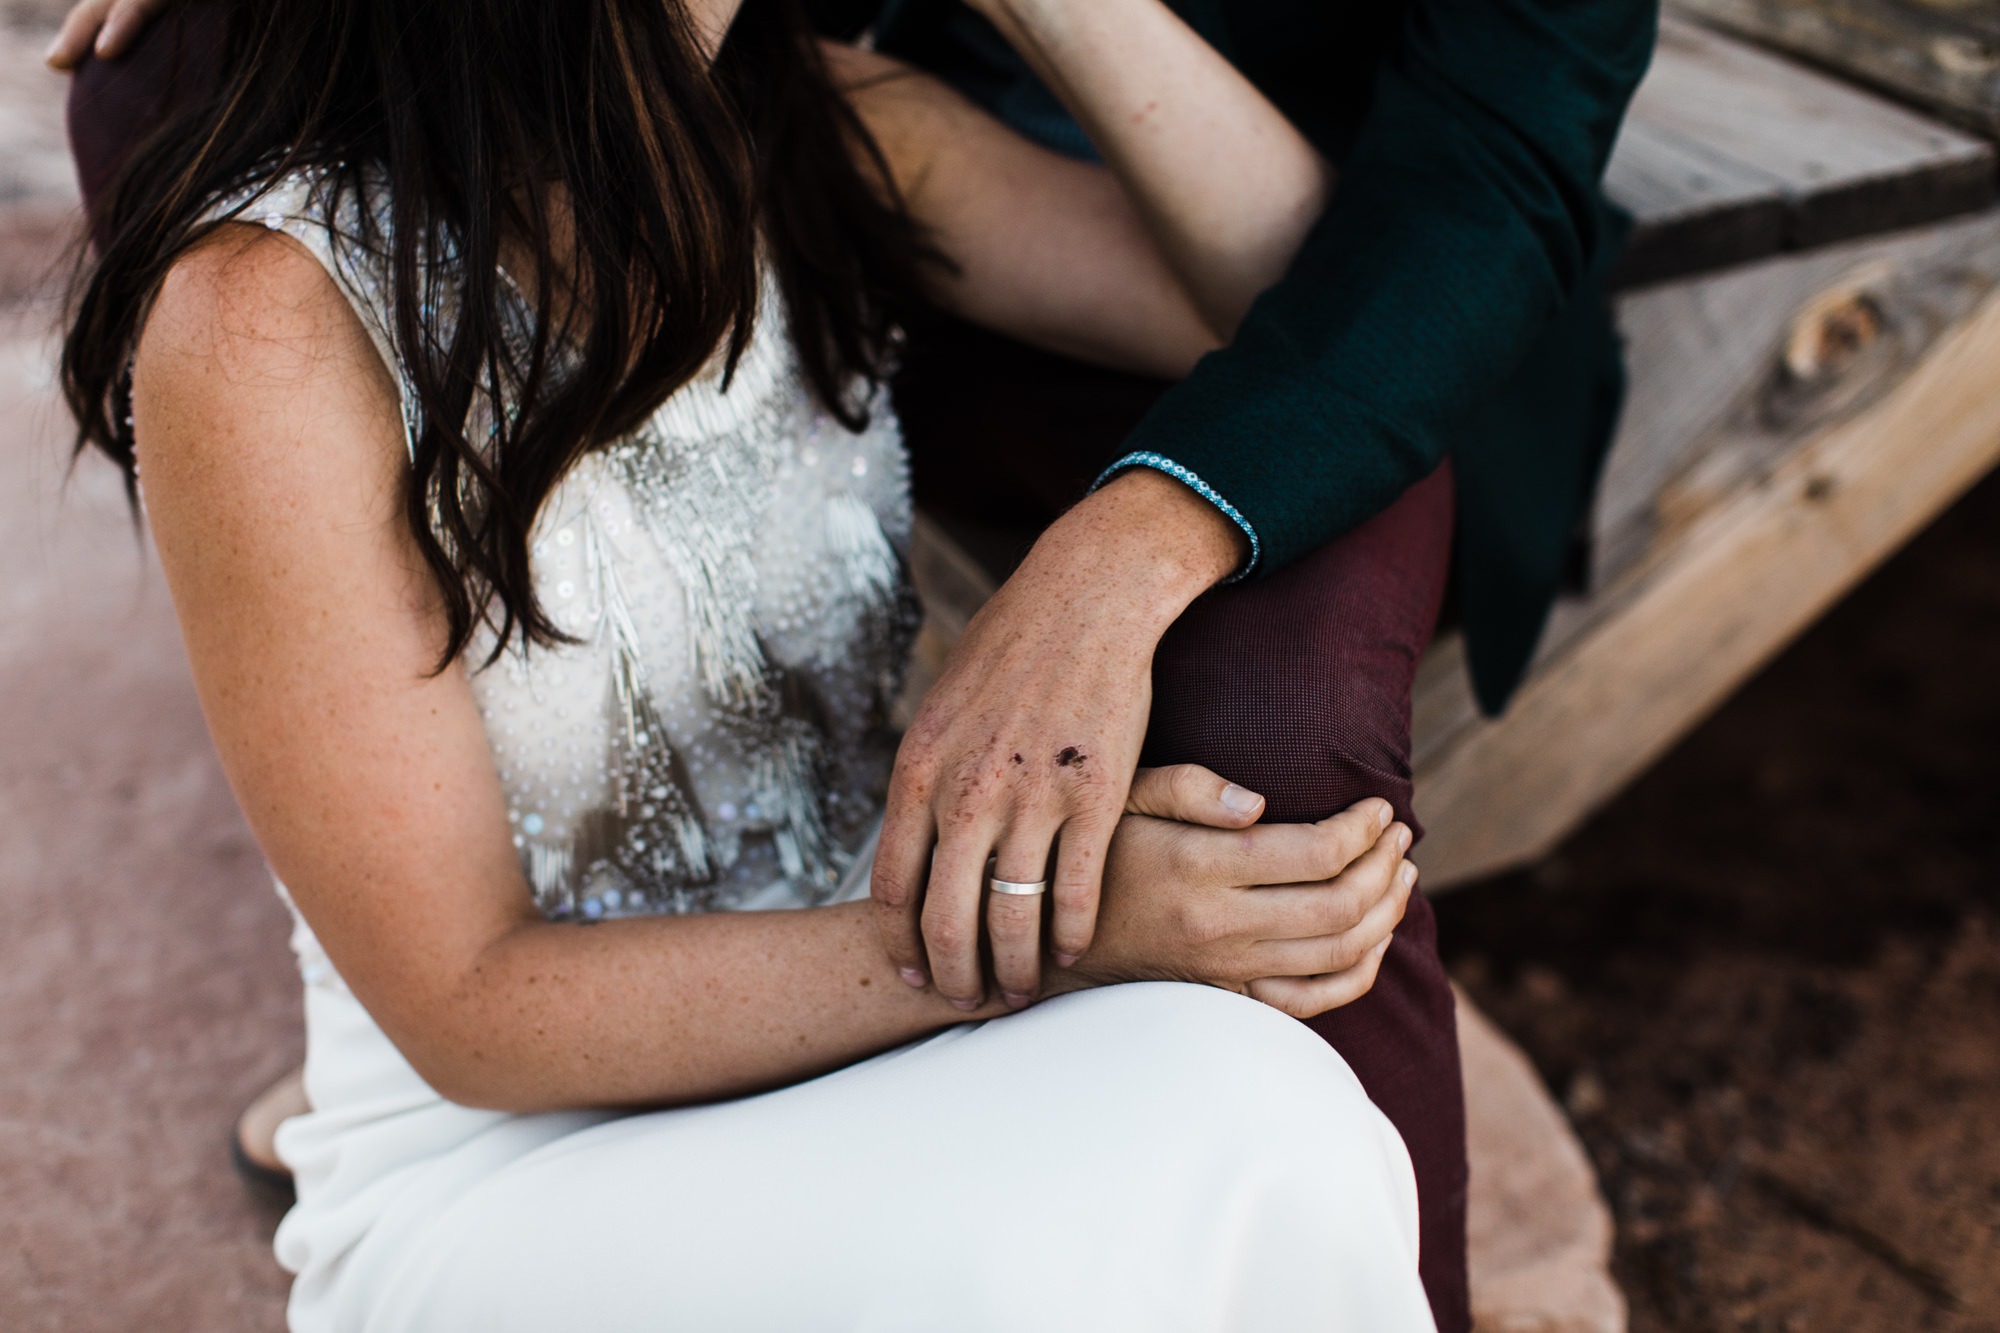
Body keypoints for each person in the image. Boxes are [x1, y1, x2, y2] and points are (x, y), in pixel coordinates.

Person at [55, 0, 1439, 1328]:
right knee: (1090, 1238)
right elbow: (472, 1008)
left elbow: (1325, 307)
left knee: (1266, 1113)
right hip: (515, 1155)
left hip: (858, 1018)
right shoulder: (265, 320)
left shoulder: (813, 121)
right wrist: (1045, 934)